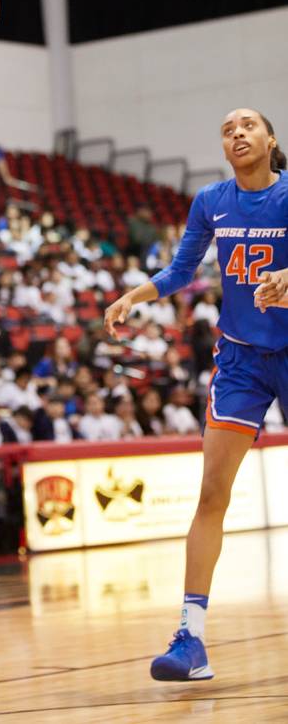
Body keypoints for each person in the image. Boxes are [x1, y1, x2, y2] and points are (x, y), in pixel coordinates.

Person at [104, 108, 288, 683]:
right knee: (212, 493)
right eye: (227, 129)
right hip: (240, 361)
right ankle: (191, 639)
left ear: (271, 139)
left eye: (247, 125)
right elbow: (183, 269)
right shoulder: (211, 200)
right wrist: (134, 296)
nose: (236, 133)